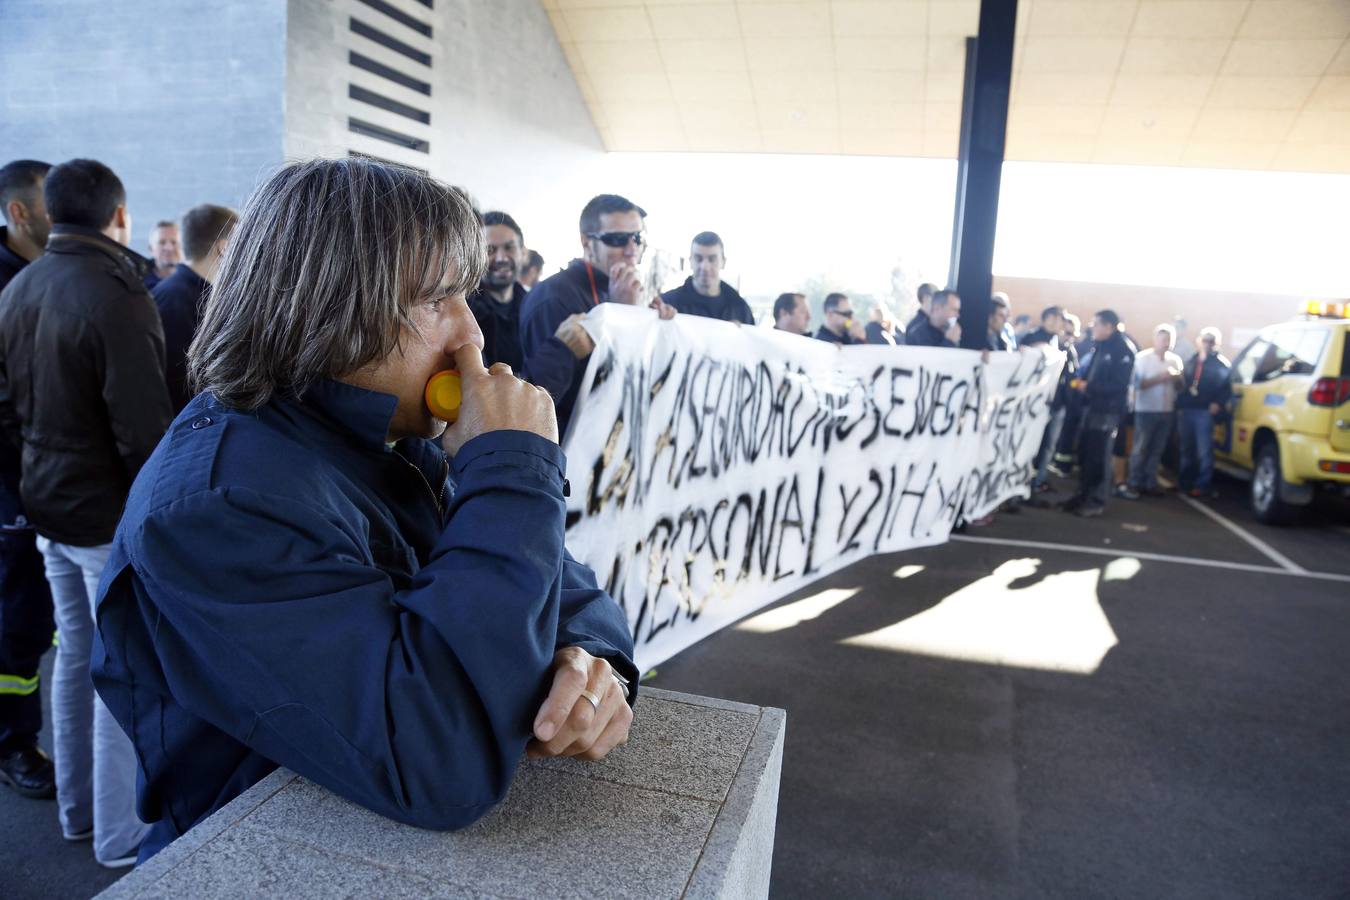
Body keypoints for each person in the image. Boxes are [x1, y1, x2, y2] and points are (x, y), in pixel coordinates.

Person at [92, 158, 638, 864]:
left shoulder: (385, 432)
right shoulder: (218, 509)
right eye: (439, 300)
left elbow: (569, 587)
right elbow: (440, 759)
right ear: (332, 306)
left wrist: (592, 665)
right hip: (264, 861)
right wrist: (511, 470)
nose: (470, 335)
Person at [0, 158, 172, 867]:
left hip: (47, 510)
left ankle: (77, 814)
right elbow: (143, 431)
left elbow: (6, 410)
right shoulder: (116, 293)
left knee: (74, 658)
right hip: (104, 520)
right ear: (120, 216)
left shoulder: (21, 286)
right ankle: (119, 837)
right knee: (118, 670)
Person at [519, 193, 674, 435]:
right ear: (587, 243)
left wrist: (656, 327)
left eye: (637, 237)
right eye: (617, 239)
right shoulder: (553, 298)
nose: (632, 249)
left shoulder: (620, 291)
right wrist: (623, 316)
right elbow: (545, 397)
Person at [0, 159, 56, 802]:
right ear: (20, 213)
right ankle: (12, 739)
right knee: (18, 620)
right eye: (49, 204)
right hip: (16, 488)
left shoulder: (43, 275)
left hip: (45, 485)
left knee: (36, 615)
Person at [152, 204, 238, 414]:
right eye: (241, 243)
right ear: (224, 248)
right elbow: (184, 384)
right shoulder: (178, 299)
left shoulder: (189, 293)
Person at [1061, 310, 1134, 518]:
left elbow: (1119, 385)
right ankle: (1082, 495)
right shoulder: (1100, 346)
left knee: (1099, 457)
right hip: (1091, 408)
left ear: (1109, 326)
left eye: (1096, 324)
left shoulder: (1123, 350)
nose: (1093, 327)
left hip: (1107, 411)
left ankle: (1096, 501)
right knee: (1085, 454)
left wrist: (1089, 387)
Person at [1118, 324, 1182, 500]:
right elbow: (1137, 385)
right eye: (1163, 339)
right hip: (1146, 409)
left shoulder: (1175, 361)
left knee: (1157, 449)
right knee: (1141, 447)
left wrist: (1176, 378)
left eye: (1170, 340)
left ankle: (1150, 482)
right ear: (1155, 340)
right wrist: (1160, 378)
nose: (1166, 343)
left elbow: (1181, 387)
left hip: (1166, 410)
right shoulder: (1143, 359)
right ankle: (1134, 481)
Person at [1021, 306, 1077, 496]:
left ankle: (1038, 481)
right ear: (1044, 319)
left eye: (1059, 320)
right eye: (1053, 319)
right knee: (1030, 444)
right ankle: (1022, 483)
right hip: (1034, 404)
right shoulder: (1031, 338)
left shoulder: (1059, 343)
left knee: (1048, 446)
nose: (1056, 323)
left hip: (1056, 403)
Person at [467, 211, 529, 371]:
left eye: (509, 247)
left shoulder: (534, 306)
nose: (501, 258)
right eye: (490, 250)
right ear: (476, 256)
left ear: (523, 253)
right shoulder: (465, 313)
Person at [1176, 327, 1231, 499]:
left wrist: (1218, 403)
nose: (1207, 344)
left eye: (1211, 341)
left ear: (1217, 344)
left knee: (1204, 451)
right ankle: (1184, 483)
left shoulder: (1221, 364)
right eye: (1205, 340)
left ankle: (1202, 485)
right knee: (1186, 449)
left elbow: (1226, 388)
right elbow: (1184, 382)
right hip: (1187, 409)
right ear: (1199, 340)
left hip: (1204, 412)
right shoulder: (1192, 360)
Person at [660, 232, 754, 324]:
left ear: (723, 262)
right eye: (698, 258)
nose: (704, 267)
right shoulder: (667, 305)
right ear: (690, 261)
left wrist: (738, 337)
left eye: (712, 259)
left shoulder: (741, 309)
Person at [144, 220, 181, 291]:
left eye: (174, 242)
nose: (169, 248)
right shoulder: (138, 282)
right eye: (162, 242)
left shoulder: (195, 281)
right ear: (151, 249)